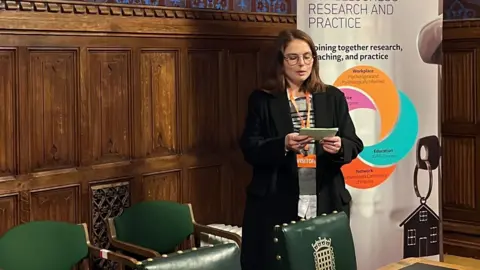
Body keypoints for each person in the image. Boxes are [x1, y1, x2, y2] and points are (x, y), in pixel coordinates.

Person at [239, 29, 364, 270]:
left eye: (307, 56)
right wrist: (283, 144)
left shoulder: (332, 96)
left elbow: (354, 142)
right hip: (278, 199)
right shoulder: (262, 100)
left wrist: (339, 147)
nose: (302, 64)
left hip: (325, 195)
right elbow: (249, 148)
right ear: (280, 61)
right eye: (293, 57)